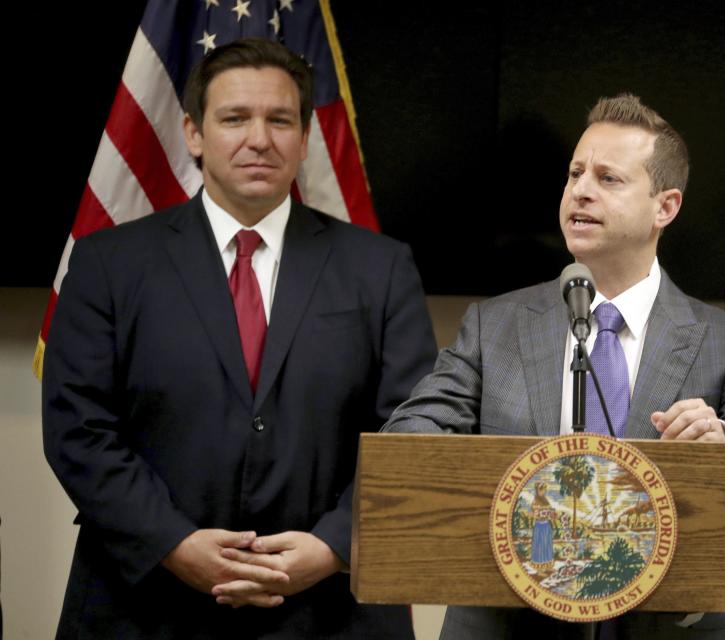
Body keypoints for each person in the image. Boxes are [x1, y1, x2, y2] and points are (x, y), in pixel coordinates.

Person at [42, 38, 436, 638]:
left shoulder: (380, 268)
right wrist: (173, 542)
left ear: (305, 139)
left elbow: (415, 432)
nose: (260, 138)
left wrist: (333, 546)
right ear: (194, 134)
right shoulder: (108, 263)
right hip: (145, 604)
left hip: (329, 609)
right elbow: (78, 427)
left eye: (280, 120)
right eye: (234, 118)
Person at [383, 94, 725, 639]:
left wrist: (724, 442)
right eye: (575, 173)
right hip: (507, 623)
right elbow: (409, 437)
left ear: (665, 207)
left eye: (608, 178)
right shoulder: (494, 326)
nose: (580, 189)